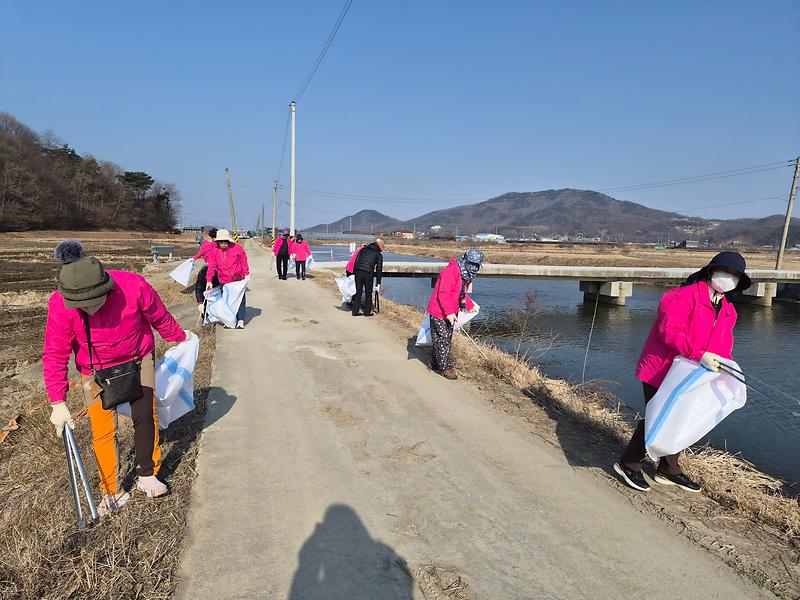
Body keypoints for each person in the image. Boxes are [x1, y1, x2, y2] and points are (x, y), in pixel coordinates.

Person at [43, 241, 188, 515]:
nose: (88, 308)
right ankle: (111, 489)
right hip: (94, 372)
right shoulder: (59, 304)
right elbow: (55, 353)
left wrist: (180, 338)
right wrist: (57, 402)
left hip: (138, 358)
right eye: (81, 305)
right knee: (102, 429)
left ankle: (147, 473)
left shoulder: (132, 285)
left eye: (93, 302)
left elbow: (158, 316)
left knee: (146, 415)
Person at [614, 251, 752, 493]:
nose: (729, 278)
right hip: (662, 368)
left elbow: (723, 345)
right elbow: (670, 331)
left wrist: (725, 366)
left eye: (735, 276)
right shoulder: (682, 296)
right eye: (725, 272)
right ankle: (629, 462)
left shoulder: (728, 310)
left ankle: (668, 469)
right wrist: (700, 355)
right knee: (660, 416)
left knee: (680, 417)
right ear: (710, 271)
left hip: (693, 373)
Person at [426, 248, 484, 379]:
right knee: (443, 339)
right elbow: (443, 294)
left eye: (477, 266)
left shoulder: (465, 275)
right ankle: (444, 367)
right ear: (466, 261)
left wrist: (470, 306)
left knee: (444, 338)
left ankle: (436, 362)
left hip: (451, 312)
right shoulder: (451, 272)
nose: (474, 268)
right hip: (439, 311)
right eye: (473, 264)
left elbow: (460, 294)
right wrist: (449, 313)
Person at [205, 229, 250, 329]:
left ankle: (240, 320)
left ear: (229, 241)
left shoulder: (237, 248)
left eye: (225, 242)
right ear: (217, 242)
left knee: (240, 299)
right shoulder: (215, 251)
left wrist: (246, 274)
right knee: (226, 300)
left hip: (238, 279)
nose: (223, 244)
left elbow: (243, 261)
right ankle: (230, 320)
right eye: (221, 242)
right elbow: (212, 266)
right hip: (224, 280)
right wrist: (209, 281)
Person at [351, 239, 384, 317]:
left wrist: (354, 272)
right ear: (379, 246)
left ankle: (355, 311)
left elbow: (356, 260)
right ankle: (367, 312)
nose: (383, 250)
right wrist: (378, 283)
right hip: (368, 273)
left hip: (358, 271)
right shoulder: (378, 254)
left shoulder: (363, 250)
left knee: (358, 291)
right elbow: (379, 269)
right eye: (383, 247)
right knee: (368, 293)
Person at [193, 227, 218, 311]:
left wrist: (193, 259)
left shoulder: (208, 245)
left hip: (210, 267)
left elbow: (201, 253)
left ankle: (204, 306)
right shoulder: (220, 244)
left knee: (203, 287)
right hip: (217, 267)